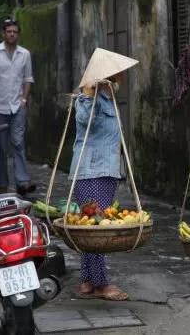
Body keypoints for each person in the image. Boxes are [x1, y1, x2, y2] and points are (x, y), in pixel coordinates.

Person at [69, 47, 138, 301]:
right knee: (98, 230)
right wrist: (88, 93)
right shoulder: (90, 100)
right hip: (92, 171)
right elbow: (85, 121)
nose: (122, 78)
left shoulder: (108, 100)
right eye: (119, 73)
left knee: (90, 227)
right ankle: (100, 284)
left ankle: (87, 280)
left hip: (104, 170)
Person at [0, 18, 35, 195]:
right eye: (8, 31)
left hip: (18, 105)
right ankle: (2, 182)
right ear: (3, 33)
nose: (11, 34)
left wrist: (24, 99)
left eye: (15, 32)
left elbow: (27, 79)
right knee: (0, 146)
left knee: (18, 142)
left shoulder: (24, 54)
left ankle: (22, 181)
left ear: (18, 34)